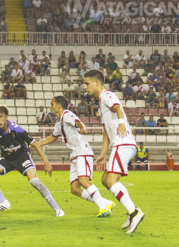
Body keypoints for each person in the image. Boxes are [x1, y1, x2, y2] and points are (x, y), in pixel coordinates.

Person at [0, 105, 64, 216]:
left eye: (1, 117)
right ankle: (3, 201)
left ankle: (57, 209)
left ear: (7, 117)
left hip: (22, 157)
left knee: (34, 182)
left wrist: (46, 162)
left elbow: (34, 143)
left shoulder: (17, 130)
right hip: (7, 158)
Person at [84, 70, 144, 234]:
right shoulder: (101, 104)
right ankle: (132, 211)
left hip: (123, 142)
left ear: (97, 83)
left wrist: (122, 122)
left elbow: (118, 107)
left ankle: (134, 212)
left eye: (87, 83)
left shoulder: (106, 95)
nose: (85, 87)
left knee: (111, 180)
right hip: (119, 143)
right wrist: (103, 154)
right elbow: (106, 132)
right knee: (105, 179)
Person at [37, 96, 115, 217]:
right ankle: (106, 203)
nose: (49, 106)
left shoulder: (67, 114)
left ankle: (103, 208)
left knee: (83, 180)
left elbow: (78, 122)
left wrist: (83, 128)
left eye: (51, 104)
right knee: (75, 189)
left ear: (58, 105)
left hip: (82, 151)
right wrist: (37, 144)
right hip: (75, 155)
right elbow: (52, 137)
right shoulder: (59, 122)